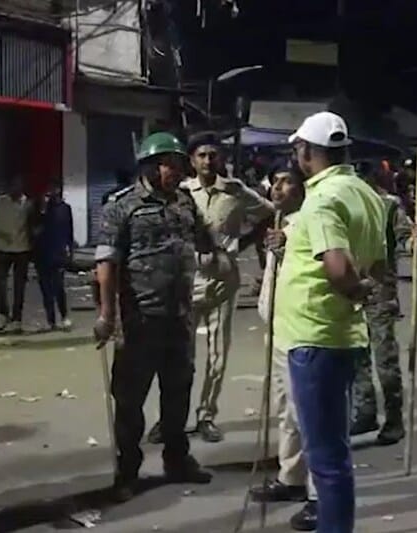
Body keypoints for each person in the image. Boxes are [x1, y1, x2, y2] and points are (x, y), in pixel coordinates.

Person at [93, 132, 223, 503]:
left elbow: (205, 240)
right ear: (150, 167)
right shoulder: (122, 205)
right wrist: (107, 316)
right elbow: (106, 264)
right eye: (169, 165)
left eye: (180, 165)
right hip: (139, 320)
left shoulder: (184, 201)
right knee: (130, 400)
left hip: (179, 317)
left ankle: (177, 459)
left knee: (178, 392)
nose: (177, 172)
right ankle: (128, 470)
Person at [275, 112, 387, 533]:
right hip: (341, 334)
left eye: (297, 148)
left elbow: (338, 269)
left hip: (315, 336)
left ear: (306, 150)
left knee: (325, 459)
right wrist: (364, 291)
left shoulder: (323, 199)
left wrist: (355, 290)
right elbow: (378, 265)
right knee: (334, 451)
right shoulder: (366, 194)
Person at [148, 131, 273, 444]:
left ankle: (206, 416)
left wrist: (243, 243)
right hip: (186, 282)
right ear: (192, 161)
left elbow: (269, 214)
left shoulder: (236, 191)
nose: (207, 160)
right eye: (201, 155)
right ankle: (170, 418)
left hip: (222, 282)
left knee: (217, 357)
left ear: (222, 159)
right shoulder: (181, 192)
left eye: (213, 155)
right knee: (180, 357)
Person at [248, 166, 318, 530]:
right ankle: (291, 477)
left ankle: (318, 493)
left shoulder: (309, 223)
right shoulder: (280, 223)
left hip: (300, 328)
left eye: (286, 181)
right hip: (276, 326)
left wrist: (289, 247)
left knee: (306, 412)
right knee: (284, 409)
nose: (277, 187)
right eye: (273, 181)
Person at [351, 168, 411, 443]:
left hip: (379, 291)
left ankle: (394, 418)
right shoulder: (346, 204)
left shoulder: (389, 206)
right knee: (357, 353)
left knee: (384, 358)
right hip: (350, 288)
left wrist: (414, 240)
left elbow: (405, 238)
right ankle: (365, 411)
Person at [0, 176, 33, 333]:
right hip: (4, 249)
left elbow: (35, 224)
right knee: (0, 284)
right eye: (13, 186)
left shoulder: (29, 205)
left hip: (22, 250)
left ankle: (17, 318)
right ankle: (3, 314)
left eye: (18, 186)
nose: (15, 189)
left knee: (19, 286)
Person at [33, 183, 74, 331]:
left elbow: (69, 231)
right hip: (42, 254)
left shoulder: (64, 209)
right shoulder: (39, 209)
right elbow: (34, 230)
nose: (51, 193)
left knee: (58, 287)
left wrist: (70, 251)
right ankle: (50, 320)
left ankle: (64, 316)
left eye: (53, 189)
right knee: (46, 290)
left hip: (58, 254)